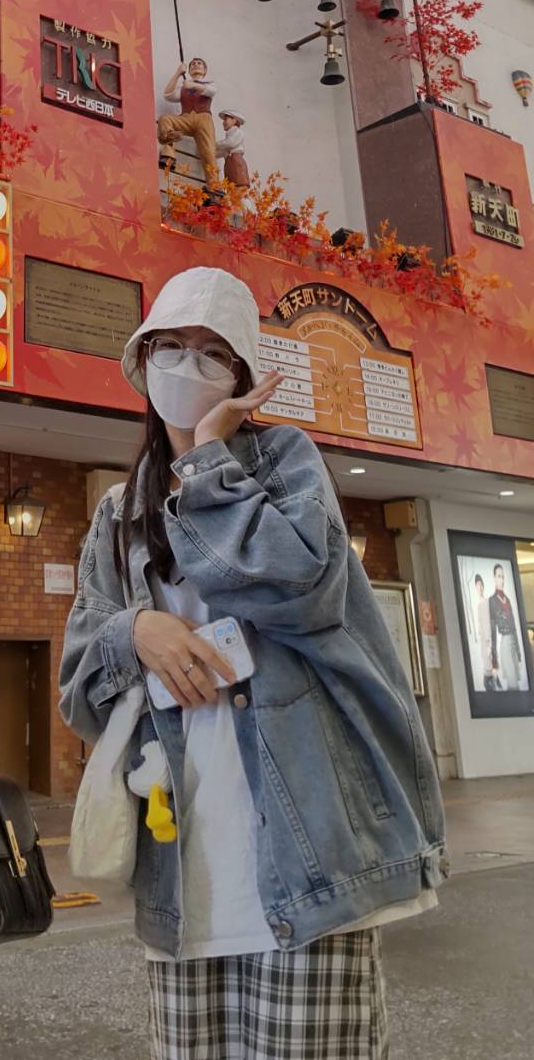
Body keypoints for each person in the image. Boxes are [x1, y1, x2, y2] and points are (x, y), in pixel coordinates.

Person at [61, 265, 447, 1060]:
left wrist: (207, 459)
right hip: (183, 863)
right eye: (170, 345)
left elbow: (301, 590)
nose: (187, 364)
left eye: (211, 351)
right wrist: (136, 630)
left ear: (241, 377)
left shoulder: (286, 463)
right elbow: (79, 686)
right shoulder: (120, 512)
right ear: (142, 360)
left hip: (311, 852)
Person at [157, 58, 218, 192]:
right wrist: (178, 74)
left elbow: (210, 91)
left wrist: (193, 85)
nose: (196, 65)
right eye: (193, 64)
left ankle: (214, 187)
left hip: (204, 119)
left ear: (205, 70)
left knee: (208, 151)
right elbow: (168, 95)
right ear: (189, 70)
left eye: (199, 63)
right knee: (165, 120)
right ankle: (169, 153)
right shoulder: (184, 88)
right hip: (186, 118)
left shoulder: (209, 84)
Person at [489, 563, 524, 691]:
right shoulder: (492, 600)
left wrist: (519, 654)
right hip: (504, 644)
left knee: (514, 686)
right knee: (513, 685)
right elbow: (493, 632)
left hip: (513, 644)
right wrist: (494, 661)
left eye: (503, 576)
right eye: (499, 576)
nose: (502, 580)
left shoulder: (508, 600)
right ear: (494, 578)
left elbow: (514, 626)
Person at [471, 572, 495, 691]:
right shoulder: (477, 604)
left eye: (481, 584)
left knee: (488, 672)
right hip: (483, 642)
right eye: (477, 585)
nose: (479, 587)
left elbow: (487, 625)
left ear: (483, 586)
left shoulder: (485, 603)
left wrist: (489, 644)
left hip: (487, 642)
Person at [216, 110, 250, 189]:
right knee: (231, 189)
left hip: (236, 163)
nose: (223, 122)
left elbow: (230, 143)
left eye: (226, 119)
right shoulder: (229, 135)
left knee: (239, 187)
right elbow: (223, 151)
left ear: (234, 120)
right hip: (229, 163)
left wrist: (214, 144)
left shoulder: (238, 132)